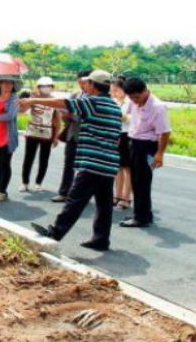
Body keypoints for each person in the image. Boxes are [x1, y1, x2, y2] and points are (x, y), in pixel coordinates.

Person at [25, 70, 122, 251]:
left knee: (75, 199)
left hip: (93, 161)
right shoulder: (114, 106)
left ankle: (55, 232)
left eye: (88, 83)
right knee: (103, 204)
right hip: (108, 162)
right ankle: (101, 239)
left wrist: (33, 100)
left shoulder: (93, 102)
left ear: (93, 85)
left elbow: (65, 103)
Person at [121, 77, 171, 228]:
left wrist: (159, 154)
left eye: (136, 97)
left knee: (142, 181)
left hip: (147, 146)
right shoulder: (133, 102)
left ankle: (141, 217)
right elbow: (126, 115)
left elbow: (165, 132)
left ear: (145, 91)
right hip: (134, 143)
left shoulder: (157, 107)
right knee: (136, 181)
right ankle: (142, 213)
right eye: (130, 97)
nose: (134, 100)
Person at [52, 70, 91, 202]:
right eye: (79, 82)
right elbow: (66, 112)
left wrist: (73, 116)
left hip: (87, 136)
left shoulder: (94, 98)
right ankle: (64, 192)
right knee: (68, 164)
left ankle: (80, 195)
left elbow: (89, 117)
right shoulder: (74, 95)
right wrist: (65, 116)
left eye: (84, 83)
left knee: (85, 167)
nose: (81, 85)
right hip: (72, 134)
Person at [20, 77, 62, 192]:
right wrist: (29, 99)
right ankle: (25, 182)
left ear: (52, 87)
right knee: (28, 158)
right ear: (38, 87)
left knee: (44, 159)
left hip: (47, 133)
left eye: (48, 86)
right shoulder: (33, 99)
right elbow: (22, 111)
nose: (46, 88)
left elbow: (58, 120)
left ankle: (38, 183)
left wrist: (56, 136)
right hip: (32, 132)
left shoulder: (55, 101)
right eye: (43, 86)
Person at [111, 78, 133, 209]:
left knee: (127, 168)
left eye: (116, 90)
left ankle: (126, 197)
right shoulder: (114, 102)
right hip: (116, 134)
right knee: (117, 167)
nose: (114, 93)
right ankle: (117, 195)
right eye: (112, 90)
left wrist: (118, 115)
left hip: (127, 135)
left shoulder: (130, 102)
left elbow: (130, 119)